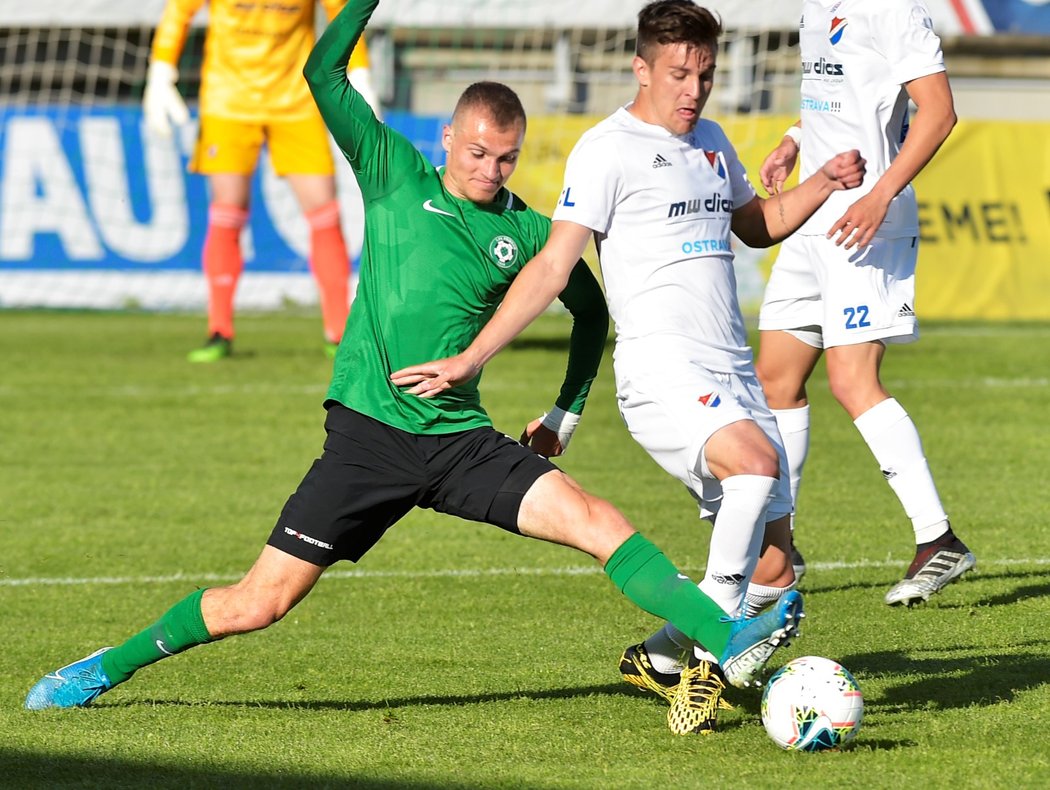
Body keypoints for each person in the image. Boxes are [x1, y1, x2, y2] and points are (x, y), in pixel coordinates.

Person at [25, 0, 804, 728]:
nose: (489, 171)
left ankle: (726, 641)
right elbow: (320, 73)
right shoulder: (393, 174)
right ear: (446, 141)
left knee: (602, 523)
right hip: (369, 439)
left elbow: (593, 312)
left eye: (505, 159)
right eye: (476, 153)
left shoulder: (526, 232)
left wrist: (565, 410)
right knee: (257, 603)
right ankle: (106, 665)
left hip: (461, 444)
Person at [390, 0, 863, 736]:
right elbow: (553, 264)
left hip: (729, 369)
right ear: (641, 67)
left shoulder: (710, 139)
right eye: (679, 72)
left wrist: (825, 182)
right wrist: (472, 357)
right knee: (756, 466)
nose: (693, 89)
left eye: (704, 74)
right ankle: (710, 658)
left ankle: (658, 658)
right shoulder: (606, 149)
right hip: (661, 369)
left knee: (774, 574)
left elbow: (755, 223)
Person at [754, 0, 975, 606]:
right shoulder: (815, 9)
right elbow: (843, 94)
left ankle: (938, 539)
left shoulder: (892, 10)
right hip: (813, 216)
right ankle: (780, 545)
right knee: (776, 378)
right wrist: (793, 139)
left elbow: (938, 111)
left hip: (866, 223)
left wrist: (880, 195)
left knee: (853, 380)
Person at [143, 0, 382, 361]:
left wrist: (361, 73)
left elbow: (344, 12)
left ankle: (338, 332)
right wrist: (160, 71)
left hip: (296, 102)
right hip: (229, 102)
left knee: (324, 209)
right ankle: (219, 330)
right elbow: (179, 11)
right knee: (228, 209)